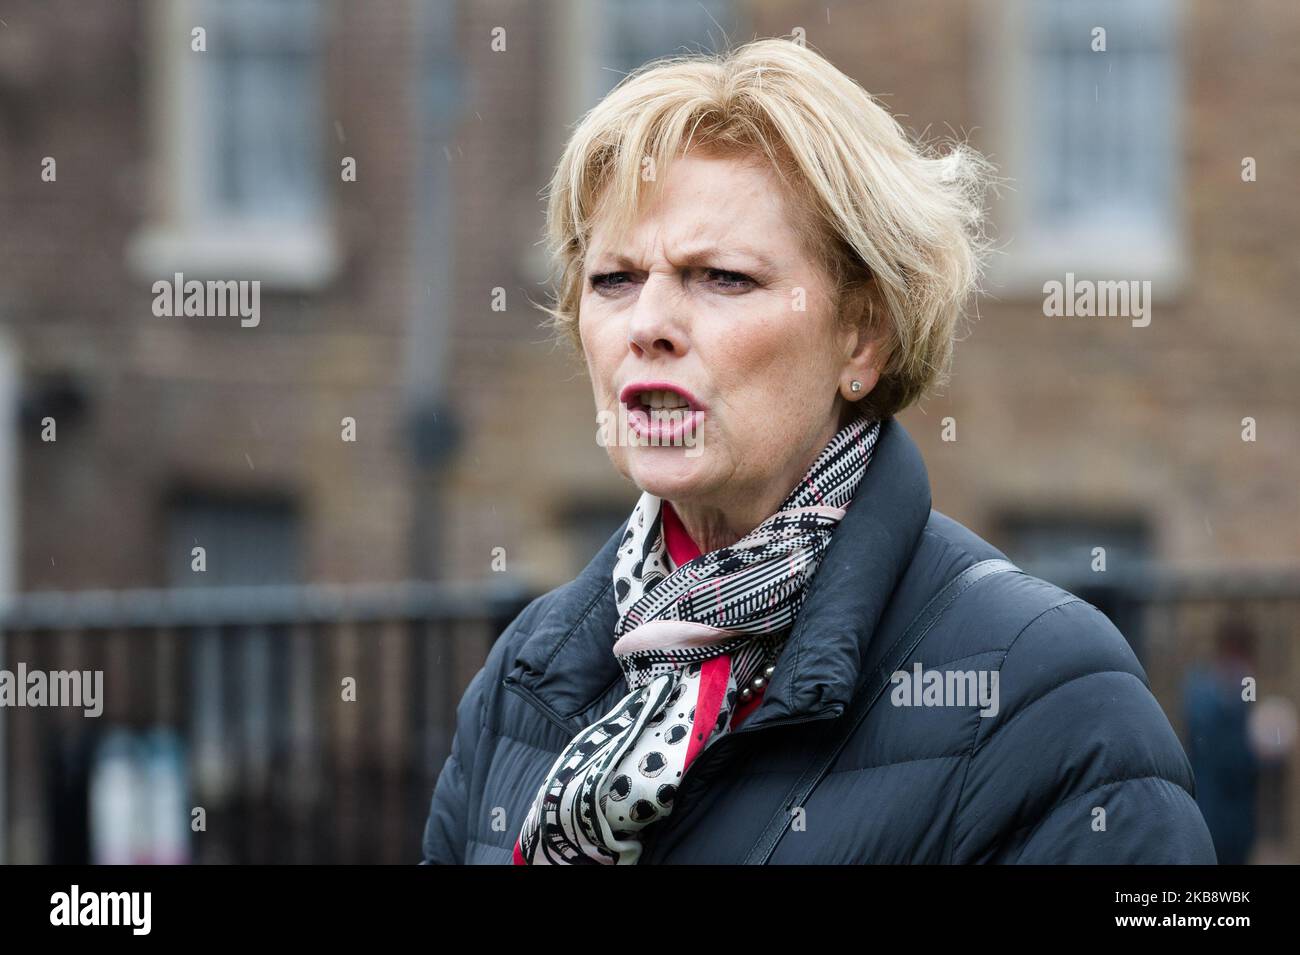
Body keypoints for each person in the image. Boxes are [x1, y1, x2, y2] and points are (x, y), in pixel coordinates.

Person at [421, 37, 1215, 864]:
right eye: (613, 278)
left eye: (721, 276)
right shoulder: (525, 675)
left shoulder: (1047, 693)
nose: (646, 324)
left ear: (861, 335)